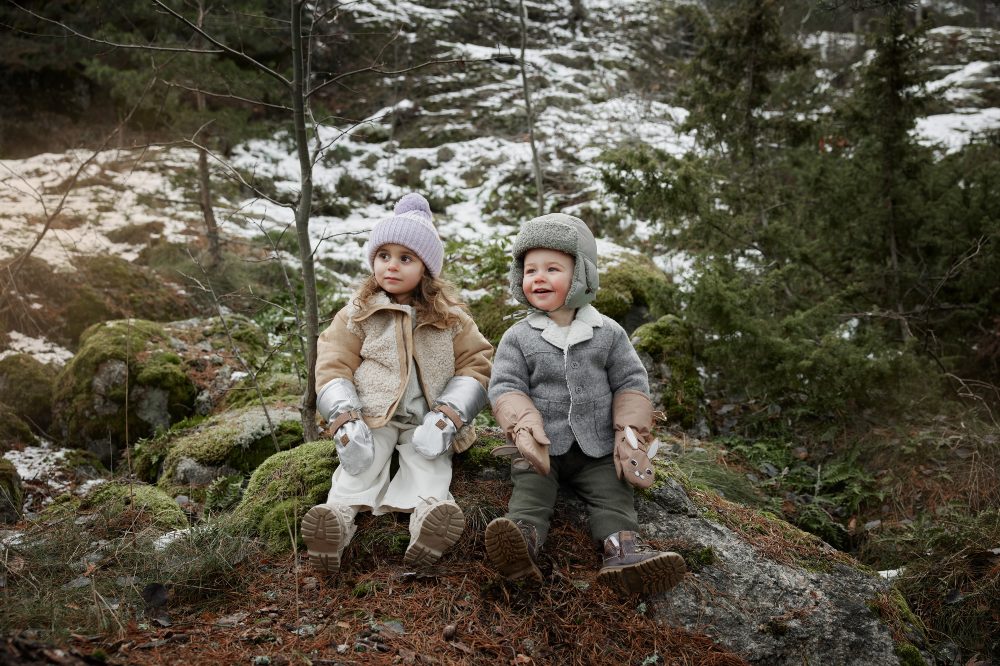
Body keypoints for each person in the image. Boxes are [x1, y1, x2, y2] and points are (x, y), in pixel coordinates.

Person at [485, 213, 686, 595]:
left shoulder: (608, 332)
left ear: (581, 275)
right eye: (530, 270)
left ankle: (623, 553)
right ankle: (521, 546)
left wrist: (630, 435)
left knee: (614, 493)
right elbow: (506, 385)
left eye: (553, 268)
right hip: (541, 445)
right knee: (530, 489)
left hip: (597, 449)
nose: (538, 278)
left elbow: (630, 382)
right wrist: (523, 425)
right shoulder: (518, 337)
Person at [302, 192, 493, 573]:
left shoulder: (451, 318)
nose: (392, 266)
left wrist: (449, 417)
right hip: (373, 414)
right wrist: (344, 418)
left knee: (429, 460)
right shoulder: (358, 314)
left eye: (405, 258)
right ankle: (336, 520)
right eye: (383, 256)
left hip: (429, 417)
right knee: (361, 461)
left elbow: (476, 365)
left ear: (426, 267)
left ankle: (430, 521)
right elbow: (333, 364)